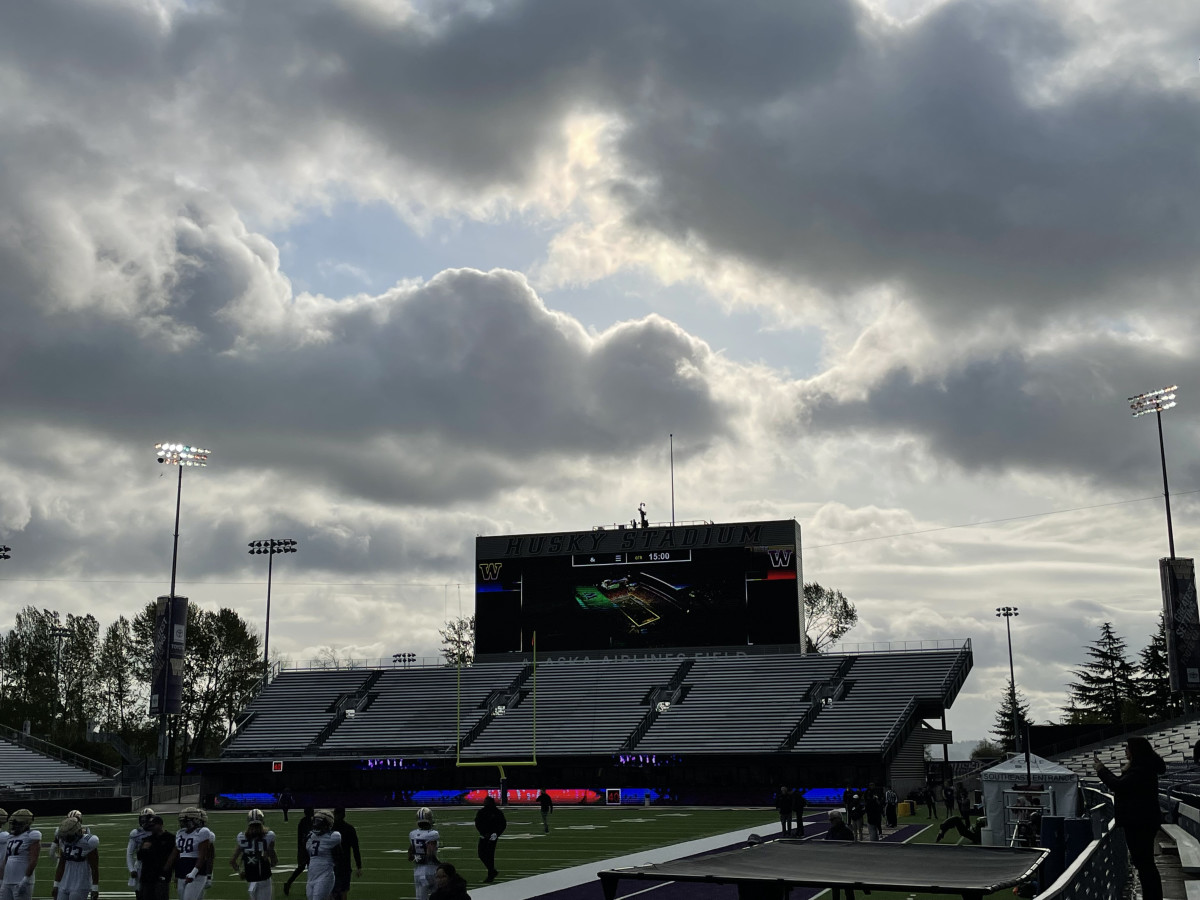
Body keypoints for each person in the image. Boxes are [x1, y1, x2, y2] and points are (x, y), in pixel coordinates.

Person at [1095, 736, 1167, 900]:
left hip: (1140, 822)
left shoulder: (1140, 769)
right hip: (1141, 821)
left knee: (1145, 864)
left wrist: (1101, 769)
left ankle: (1153, 897)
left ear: (1136, 751)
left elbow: (1119, 786)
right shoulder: (1141, 768)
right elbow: (1121, 783)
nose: (1125, 750)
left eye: (1128, 747)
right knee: (1144, 863)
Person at [162, 807, 213, 900]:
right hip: (182, 869)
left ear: (195, 820)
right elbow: (175, 854)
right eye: (182, 821)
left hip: (197, 871)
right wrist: (165, 870)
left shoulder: (202, 832)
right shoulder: (180, 833)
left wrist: (193, 873)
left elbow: (203, 856)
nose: (183, 824)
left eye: (186, 821)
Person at [231, 809, 278, 900]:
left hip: (250, 877)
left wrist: (240, 872)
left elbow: (233, 861)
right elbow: (274, 860)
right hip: (264, 877)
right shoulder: (269, 835)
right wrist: (269, 860)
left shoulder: (241, 836)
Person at [51, 816, 98, 900]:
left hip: (81, 883)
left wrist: (95, 888)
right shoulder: (63, 840)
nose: (67, 839)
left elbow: (94, 867)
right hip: (64, 881)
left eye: (69, 836)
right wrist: (56, 885)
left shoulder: (88, 842)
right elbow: (61, 865)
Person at [299, 809, 341, 900]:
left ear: (327, 824)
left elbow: (339, 856)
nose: (315, 824)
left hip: (325, 875)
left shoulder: (333, 837)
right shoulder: (310, 836)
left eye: (318, 822)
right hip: (311, 876)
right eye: (315, 821)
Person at [1, 809, 41, 900]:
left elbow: (33, 860)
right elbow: (6, 860)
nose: (13, 826)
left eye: (16, 824)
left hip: (21, 880)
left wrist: (26, 879)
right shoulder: (10, 837)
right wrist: (1, 879)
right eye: (13, 823)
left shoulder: (31, 835)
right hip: (7, 881)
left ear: (25, 823)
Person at [135, 815, 174, 900]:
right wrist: (144, 849)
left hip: (161, 876)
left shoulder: (170, 838)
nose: (151, 828)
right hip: (146, 876)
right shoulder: (147, 839)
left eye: (153, 825)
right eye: (150, 826)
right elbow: (139, 857)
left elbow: (173, 857)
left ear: (160, 825)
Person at [282, 808, 316, 895]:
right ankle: (290, 883)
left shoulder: (303, 821)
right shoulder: (307, 822)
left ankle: (289, 883)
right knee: (306, 868)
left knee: (303, 868)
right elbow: (305, 836)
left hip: (304, 848)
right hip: (306, 848)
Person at [823, 812, 857, 900]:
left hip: (844, 864)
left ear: (837, 819)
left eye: (832, 820)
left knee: (847, 889)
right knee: (836, 890)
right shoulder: (832, 830)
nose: (831, 822)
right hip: (835, 864)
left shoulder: (846, 831)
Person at [408, 807, 440, 900]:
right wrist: (440, 864)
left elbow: (410, 855)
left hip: (418, 871)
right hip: (431, 869)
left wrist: (417, 858)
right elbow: (430, 853)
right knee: (437, 896)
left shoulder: (412, 834)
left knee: (421, 898)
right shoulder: (433, 833)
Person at [474, 796, 506, 884]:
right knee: (481, 854)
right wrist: (483, 833)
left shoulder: (496, 812)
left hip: (492, 836)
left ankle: (491, 873)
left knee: (489, 855)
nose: (485, 803)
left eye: (486, 802)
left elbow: (503, 824)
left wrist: (496, 833)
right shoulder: (482, 812)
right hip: (484, 835)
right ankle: (492, 870)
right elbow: (477, 823)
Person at [332, 808, 361, 900]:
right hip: (345, 864)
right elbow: (355, 848)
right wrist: (359, 866)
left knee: (332, 892)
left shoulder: (330, 829)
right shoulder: (349, 828)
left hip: (332, 864)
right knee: (343, 892)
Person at [127, 807, 156, 891]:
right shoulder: (136, 833)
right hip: (140, 865)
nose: (143, 821)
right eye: (142, 819)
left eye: (145, 818)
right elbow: (129, 853)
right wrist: (131, 869)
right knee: (140, 892)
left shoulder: (157, 831)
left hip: (155, 865)